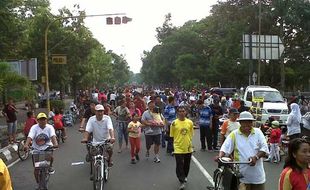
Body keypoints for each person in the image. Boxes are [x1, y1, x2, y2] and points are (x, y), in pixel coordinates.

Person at [218, 111, 269, 190]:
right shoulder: (234, 134)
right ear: (240, 122)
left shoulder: (258, 132)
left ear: (252, 122)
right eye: (244, 122)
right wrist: (220, 156)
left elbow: (264, 148)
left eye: (249, 122)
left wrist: (256, 157)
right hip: (242, 175)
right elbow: (225, 148)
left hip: (258, 176)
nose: (247, 124)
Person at [24, 112, 58, 187]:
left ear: (46, 120)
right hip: (36, 149)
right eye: (41, 119)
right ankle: (38, 183)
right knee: (36, 169)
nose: (43, 121)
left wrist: (55, 144)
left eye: (44, 119)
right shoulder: (34, 127)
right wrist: (26, 145)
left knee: (51, 158)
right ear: (37, 120)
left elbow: (53, 136)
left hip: (47, 147)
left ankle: (50, 166)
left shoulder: (50, 127)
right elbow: (30, 137)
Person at [170, 106, 194, 190]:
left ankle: (185, 176)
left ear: (186, 112)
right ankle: (182, 180)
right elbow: (172, 135)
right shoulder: (174, 123)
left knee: (186, 164)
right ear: (177, 113)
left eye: (183, 111)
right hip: (178, 147)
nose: (181, 113)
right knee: (179, 164)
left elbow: (191, 134)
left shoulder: (190, 122)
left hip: (188, 147)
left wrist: (190, 144)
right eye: (180, 111)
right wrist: (173, 147)